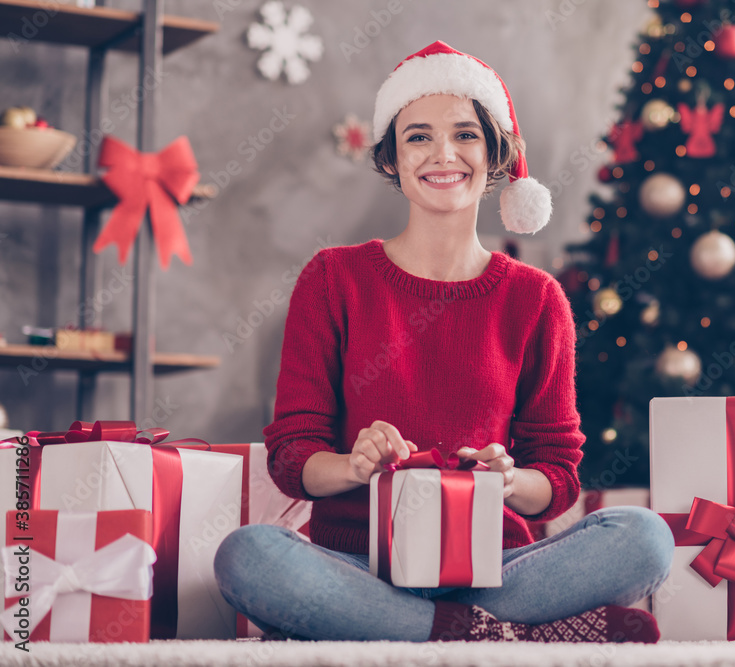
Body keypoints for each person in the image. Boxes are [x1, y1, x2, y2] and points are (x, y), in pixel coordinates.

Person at [214, 40, 674, 643]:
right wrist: (355, 465)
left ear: (495, 153)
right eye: (418, 137)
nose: (443, 154)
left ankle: (414, 628)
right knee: (248, 556)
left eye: (465, 134)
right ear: (391, 158)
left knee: (645, 538)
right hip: (358, 566)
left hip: (493, 569)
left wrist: (510, 479)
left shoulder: (536, 298)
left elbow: (557, 477)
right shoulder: (332, 279)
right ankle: (485, 634)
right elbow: (293, 458)